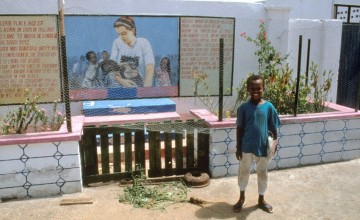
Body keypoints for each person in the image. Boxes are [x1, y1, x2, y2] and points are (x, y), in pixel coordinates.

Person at [233, 75, 280, 213]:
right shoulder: (243, 108)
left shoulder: (269, 107)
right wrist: (238, 148)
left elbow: (273, 128)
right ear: (248, 89)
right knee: (243, 172)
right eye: (252, 88)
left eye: (258, 88)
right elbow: (239, 128)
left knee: (262, 174)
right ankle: (241, 198)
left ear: (263, 89)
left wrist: (275, 145)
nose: (255, 91)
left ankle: (261, 199)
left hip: (263, 147)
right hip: (246, 147)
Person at [110, 16, 155, 87]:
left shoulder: (144, 43)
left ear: (133, 30)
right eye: (119, 34)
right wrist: (123, 82)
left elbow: (150, 67)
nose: (121, 37)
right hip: (119, 85)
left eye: (124, 33)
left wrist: (146, 90)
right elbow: (111, 67)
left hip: (138, 86)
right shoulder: (117, 43)